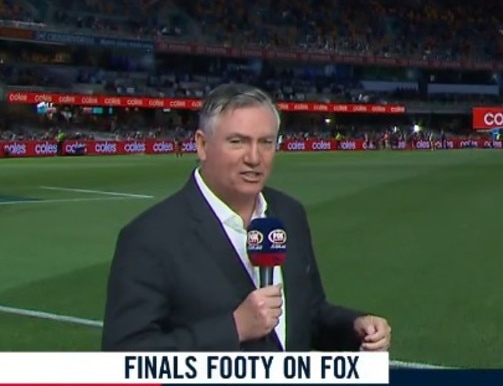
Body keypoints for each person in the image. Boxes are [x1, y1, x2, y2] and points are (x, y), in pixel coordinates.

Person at [101, 83, 392, 353]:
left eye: (266, 142)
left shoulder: (289, 213)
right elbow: (125, 358)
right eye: (238, 141)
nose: (254, 157)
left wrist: (354, 328)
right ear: (202, 145)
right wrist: (234, 328)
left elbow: (308, 313)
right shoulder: (149, 237)